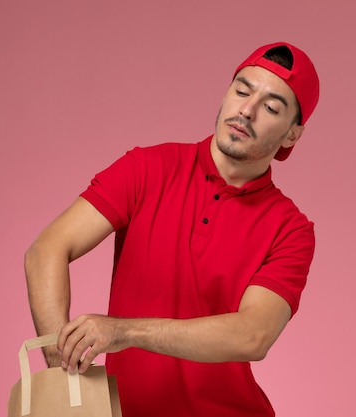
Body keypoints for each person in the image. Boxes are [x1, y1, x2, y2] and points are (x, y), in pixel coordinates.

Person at [25, 41, 320, 417]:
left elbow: (253, 335)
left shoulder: (290, 229)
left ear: (292, 135)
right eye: (242, 90)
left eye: (271, 107)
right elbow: (47, 249)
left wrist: (124, 332)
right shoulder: (147, 168)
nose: (247, 110)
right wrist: (60, 365)